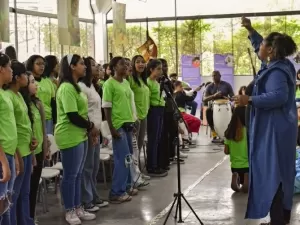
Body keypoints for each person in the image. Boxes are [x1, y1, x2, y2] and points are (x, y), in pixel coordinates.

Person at [236, 17, 298, 225]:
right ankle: (279, 219)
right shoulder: (279, 64)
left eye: (263, 45)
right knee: (278, 173)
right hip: (278, 128)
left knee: (274, 174)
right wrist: (251, 31)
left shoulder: (277, 71)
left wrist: (249, 99)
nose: (259, 46)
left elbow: (279, 96)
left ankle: (278, 220)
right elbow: (259, 47)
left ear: (271, 50)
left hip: (275, 130)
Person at [55, 54, 98, 224]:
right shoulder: (66, 88)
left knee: (78, 174)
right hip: (69, 135)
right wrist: (90, 127)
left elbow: (82, 112)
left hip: (79, 134)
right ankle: (69, 210)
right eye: (81, 64)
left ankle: (78, 206)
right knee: (71, 175)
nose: (85, 66)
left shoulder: (76, 87)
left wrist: (88, 130)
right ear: (72, 67)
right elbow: (72, 115)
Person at [102, 57, 137, 203]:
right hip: (118, 125)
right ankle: (116, 192)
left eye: (127, 64)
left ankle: (127, 185)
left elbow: (129, 104)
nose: (126, 66)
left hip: (128, 123)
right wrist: (112, 128)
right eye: (122, 64)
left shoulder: (126, 82)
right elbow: (107, 107)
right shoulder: (109, 84)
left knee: (128, 158)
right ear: (114, 67)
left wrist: (133, 121)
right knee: (121, 159)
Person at [7, 60, 36, 225]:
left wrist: (32, 140)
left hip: (26, 148)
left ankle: (26, 221)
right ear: (17, 78)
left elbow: (24, 124)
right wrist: (17, 155)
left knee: (25, 192)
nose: (27, 77)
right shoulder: (8, 96)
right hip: (17, 151)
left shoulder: (19, 95)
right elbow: (12, 129)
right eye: (25, 74)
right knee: (14, 195)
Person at [78, 57, 109, 212]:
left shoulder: (92, 86)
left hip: (96, 130)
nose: (97, 66)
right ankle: (86, 199)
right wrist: (91, 129)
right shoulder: (81, 87)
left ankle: (93, 195)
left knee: (94, 166)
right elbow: (84, 112)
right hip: (88, 131)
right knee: (88, 167)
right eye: (92, 65)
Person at [19, 72, 48, 220]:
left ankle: (31, 216)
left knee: (34, 187)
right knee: (26, 190)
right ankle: (26, 218)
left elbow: (43, 128)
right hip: (27, 152)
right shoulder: (22, 104)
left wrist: (46, 148)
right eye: (31, 82)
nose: (35, 84)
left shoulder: (37, 104)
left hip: (38, 150)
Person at [128, 55, 150, 181]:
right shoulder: (131, 79)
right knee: (134, 149)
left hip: (144, 116)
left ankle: (138, 173)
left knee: (140, 146)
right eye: (138, 62)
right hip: (135, 118)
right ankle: (134, 176)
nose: (141, 64)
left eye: (143, 62)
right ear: (133, 64)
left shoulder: (142, 80)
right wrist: (133, 116)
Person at [0, 53, 16, 225]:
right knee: (1, 202)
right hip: (2, 155)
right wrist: (4, 162)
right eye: (9, 67)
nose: (11, 71)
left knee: (6, 203)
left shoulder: (3, 93)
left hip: (9, 152)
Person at [146, 59, 168, 176]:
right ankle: (151, 166)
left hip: (160, 110)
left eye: (161, 69)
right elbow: (147, 100)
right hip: (153, 111)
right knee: (153, 140)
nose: (161, 71)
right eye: (158, 69)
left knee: (158, 139)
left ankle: (157, 163)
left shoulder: (157, 82)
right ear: (151, 69)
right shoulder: (148, 82)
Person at [26, 55, 56, 134]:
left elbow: (53, 102)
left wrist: (55, 121)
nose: (41, 66)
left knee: (48, 142)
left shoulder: (48, 81)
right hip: (34, 118)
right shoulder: (28, 81)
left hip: (48, 118)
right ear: (31, 65)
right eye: (38, 64)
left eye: (43, 64)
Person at [203, 70, 234, 143]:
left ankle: (230, 132)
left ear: (220, 76)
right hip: (214, 106)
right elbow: (204, 99)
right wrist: (214, 96)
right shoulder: (209, 86)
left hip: (226, 105)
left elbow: (232, 97)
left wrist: (229, 98)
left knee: (235, 110)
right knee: (208, 112)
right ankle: (214, 133)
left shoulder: (227, 85)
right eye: (213, 76)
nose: (213, 77)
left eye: (215, 75)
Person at [223, 106, 248, 193]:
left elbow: (226, 151)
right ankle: (247, 178)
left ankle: (237, 177)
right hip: (248, 167)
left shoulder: (229, 132)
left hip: (235, 167)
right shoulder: (249, 131)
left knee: (237, 170)